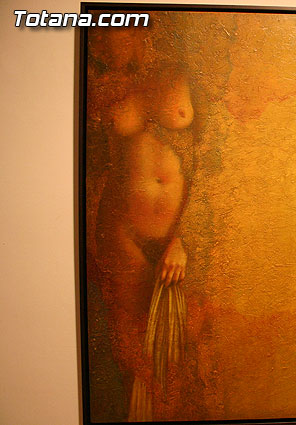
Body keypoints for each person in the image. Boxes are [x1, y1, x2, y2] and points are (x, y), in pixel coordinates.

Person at [92, 29, 195, 420]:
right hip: (122, 234)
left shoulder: (187, 69)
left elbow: (214, 162)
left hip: (177, 239)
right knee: (133, 353)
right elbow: (93, 167)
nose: (103, 40)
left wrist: (185, 238)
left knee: (179, 356)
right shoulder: (103, 83)